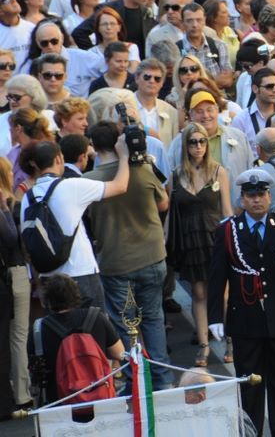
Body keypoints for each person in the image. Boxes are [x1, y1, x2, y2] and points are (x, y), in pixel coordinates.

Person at [207, 168, 275, 437]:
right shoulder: (228, 230)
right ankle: (252, 433)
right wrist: (215, 316)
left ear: (269, 196)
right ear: (242, 199)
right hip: (246, 321)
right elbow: (217, 277)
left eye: (261, 194)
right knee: (250, 387)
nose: (256, 200)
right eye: (250, 195)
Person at [83, 120, 173, 389]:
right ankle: (163, 379)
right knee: (153, 317)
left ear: (93, 146)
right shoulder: (143, 170)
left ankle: (136, 382)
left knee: (125, 323)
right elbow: (163, 203)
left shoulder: (88, 181)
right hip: (151, 254)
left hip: (115, 260)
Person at [18, 138, 130, 308]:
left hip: (49, 279)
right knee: (92, 323)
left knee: (60, 326)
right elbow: (120, 186)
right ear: (58, 159)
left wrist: (39, 284)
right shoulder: (71, 186)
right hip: (80, 273)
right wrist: (124, 156)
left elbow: (28, 244)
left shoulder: (28, 197)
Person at [167, 121, 231, 367]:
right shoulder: (176, 175)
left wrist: (233, 242)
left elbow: (227, 210)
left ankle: (230, 339)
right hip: (190, 241)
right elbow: (170, 214)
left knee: (222, 293)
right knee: (199, 293)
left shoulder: (218, 171)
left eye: (202, 141)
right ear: (186, 145)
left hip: (215, 237)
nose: (198, 146)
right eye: (193, 142)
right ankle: (204, 345)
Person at [28, 274, 125, 405]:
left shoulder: (39, 328)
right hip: (100, 398)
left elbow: (34, 368)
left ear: (48, 300)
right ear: (76, 295)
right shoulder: (96, 317)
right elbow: (119, 353)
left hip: (59, 403)